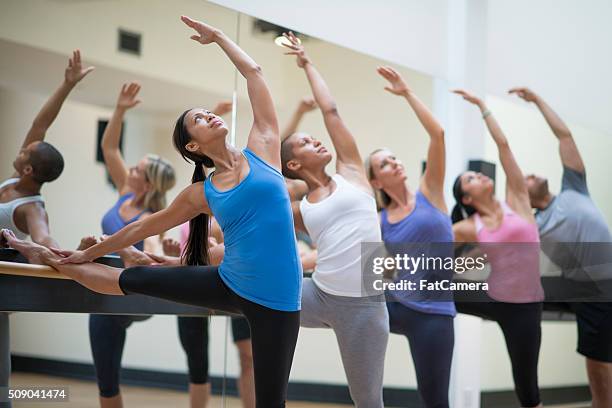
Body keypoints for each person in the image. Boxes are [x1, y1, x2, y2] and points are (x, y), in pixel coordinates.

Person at [2, 15, 301, 408]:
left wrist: (221, 38)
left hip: (277, 300)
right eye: (198, 119)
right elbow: (146, 224)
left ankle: (55, 256)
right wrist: (88, 252)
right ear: (192, 147)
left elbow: (255, 72)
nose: (209, 115)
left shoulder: (263, 147)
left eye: (206, 113)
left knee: (271, 402)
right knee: (132, 278)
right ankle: (48, 256)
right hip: (229, 282)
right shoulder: (202, 192)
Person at [91, 82, 230, 408]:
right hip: (107, 282)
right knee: (104, 344)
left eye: (139, 168)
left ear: (149, 180)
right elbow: (110, 149)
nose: (132, 170)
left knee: (196, 350)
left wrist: (151, 252)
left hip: (135, 286)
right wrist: (121, 109)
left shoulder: (156, 216)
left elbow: (147, 256)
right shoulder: (126, 192)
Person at [280, 32, 388, 407]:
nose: (318, 142)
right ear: (294, 165)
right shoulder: (300, 208)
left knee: (367, 400)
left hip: (364, 306)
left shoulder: (353, 172)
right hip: (317, 294)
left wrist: (307, 63)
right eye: (308, 143)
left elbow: (331, 112)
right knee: (247, 291)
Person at [0, 50, 93, 408]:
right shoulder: (14, 180)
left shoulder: (31, 209)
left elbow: (47, 243)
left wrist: (78, 251)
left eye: (27, 153)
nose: (23, 149)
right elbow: (41, 125)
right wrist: (67, 85)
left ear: (28, 170)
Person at [510, 87, 612, 408]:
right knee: (597, 354)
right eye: (524, 177)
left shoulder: (574, 189)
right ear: (522, 195)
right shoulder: (533, 225)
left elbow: (564, 137)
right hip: (590, 289)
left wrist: (538, 101)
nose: (531, 174)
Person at [365, 66, 454, 408]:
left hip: (434, 312)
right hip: (394, 305)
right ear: (376, 182)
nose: (395, 163)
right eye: (385, 164)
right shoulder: (380, 220)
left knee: (434, 400)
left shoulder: (430, 193)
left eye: (394, 158)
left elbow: (439, 134)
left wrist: (407, 94)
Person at [451, 89, 544, 408]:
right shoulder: (466, 227)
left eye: (476, 173)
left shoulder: (517, 201)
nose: (479, 175)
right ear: (466, 198)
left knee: (527, 387)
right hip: (493, 298)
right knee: (431, 288)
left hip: (526, 307)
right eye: (471, 178)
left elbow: (504, 148)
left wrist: (482, 107)